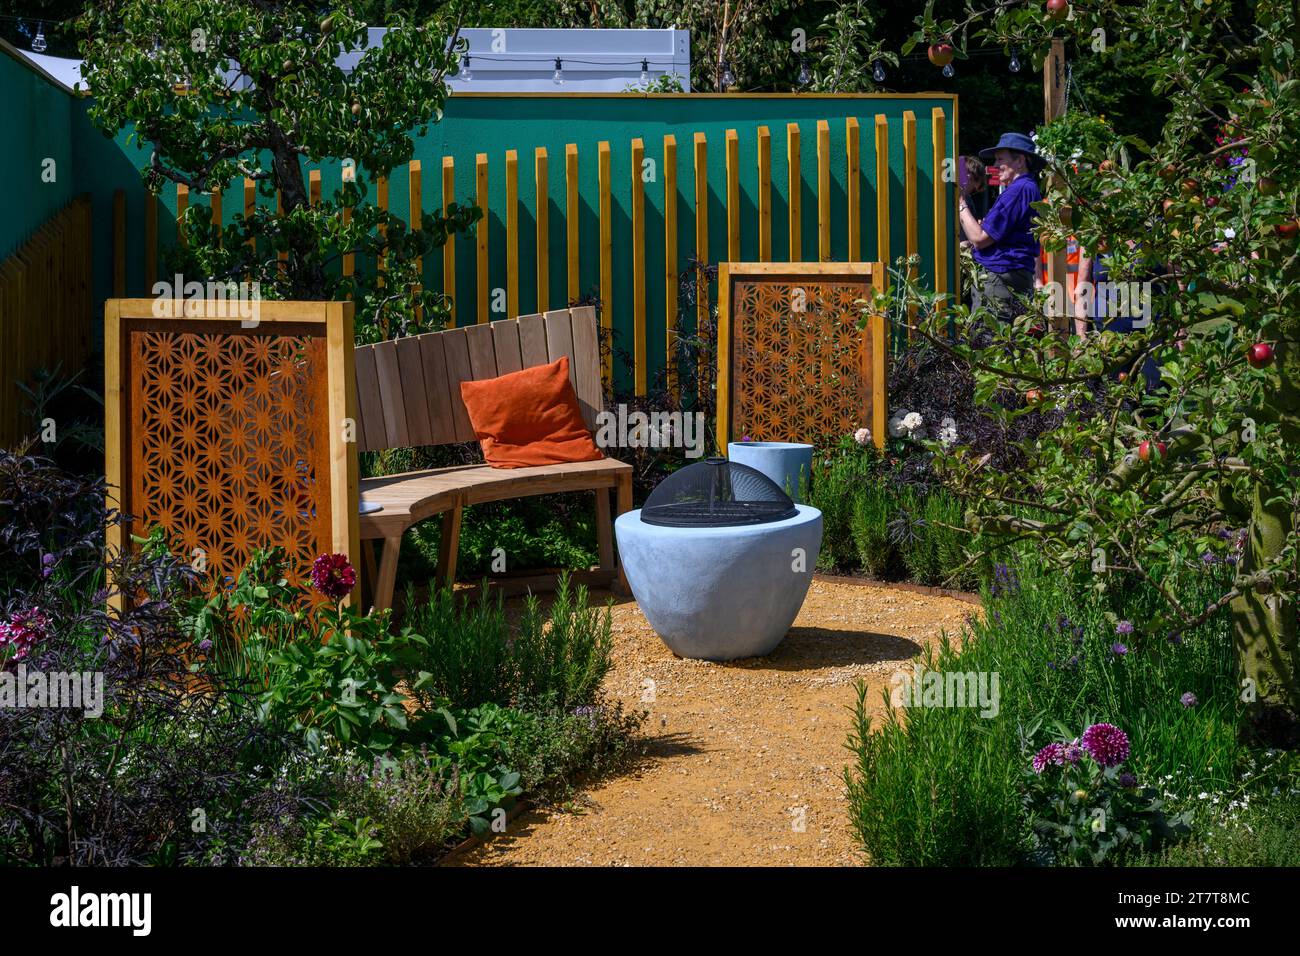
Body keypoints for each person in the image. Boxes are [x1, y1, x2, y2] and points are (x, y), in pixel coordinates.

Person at [957, 132, 1045, 322]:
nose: (995, 166)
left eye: (1000, 159)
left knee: (989, 343)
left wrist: (960, 201)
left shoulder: (1018, 190)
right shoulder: (1027, 188)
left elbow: (980, 238)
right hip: (1009, 277)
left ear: (1020, 161)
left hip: (999, 280)